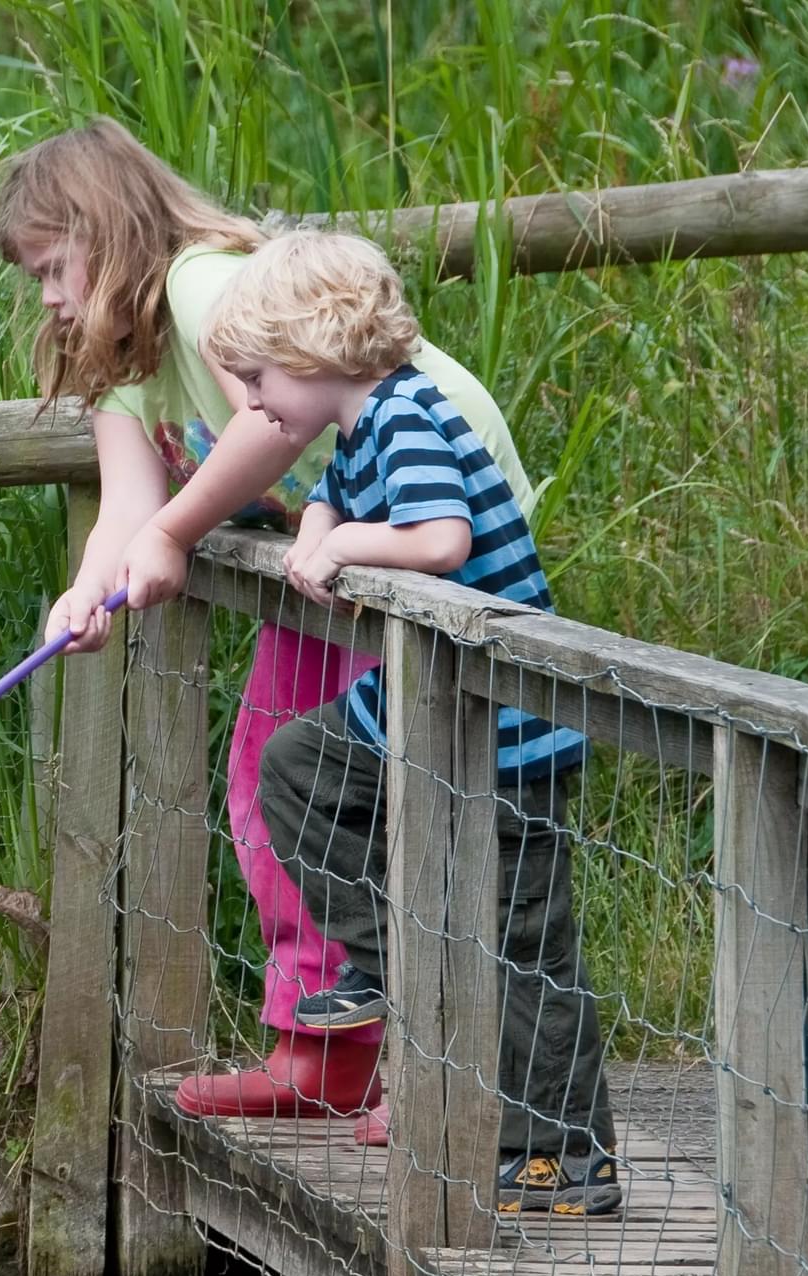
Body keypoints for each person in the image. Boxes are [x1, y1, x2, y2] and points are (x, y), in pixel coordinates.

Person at [0, 118, 540, 1133]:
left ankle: (439, 1070)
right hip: (326, 558)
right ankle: (323, 1048)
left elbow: (270, 422)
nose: (51, 298)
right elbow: (125, 510)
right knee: (270, 774)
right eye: (38, 280)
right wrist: (89, 587)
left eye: (54, 268)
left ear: (106, 236)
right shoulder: (124, 361)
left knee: (410, 794)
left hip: (426, 529)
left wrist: (175, 529)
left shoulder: (206, 285)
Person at [200, 229, 619, 1214]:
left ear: (312, 353)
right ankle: (382, 959)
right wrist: (317, 525)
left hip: (503, 725)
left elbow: (440, 537)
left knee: (526, 942)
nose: (252, 403)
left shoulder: (408, 418)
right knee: (297, 771)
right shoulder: (363, 428)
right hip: (417, 711)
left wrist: (341, 535)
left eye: (259, 378)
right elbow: (327, 503)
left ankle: (565, 1154)